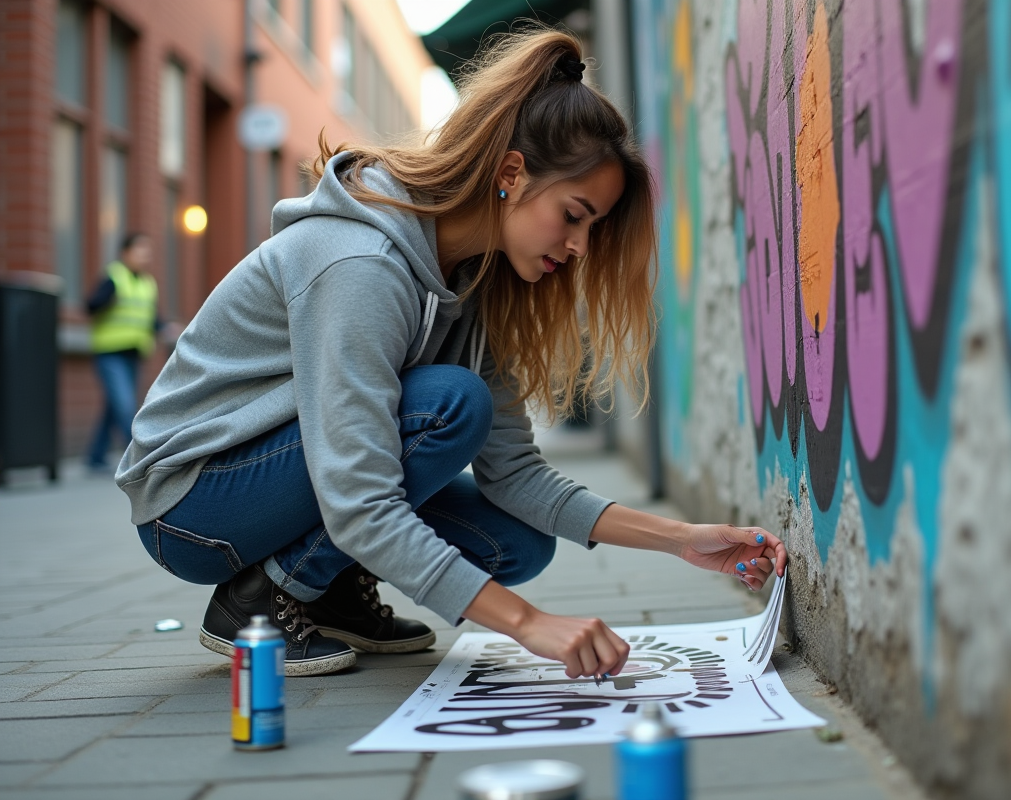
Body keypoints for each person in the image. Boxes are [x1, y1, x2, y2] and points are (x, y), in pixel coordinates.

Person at [115, 28, 787, 679]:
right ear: (512, 174)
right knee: (448, 404)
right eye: (575, 214)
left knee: (516, 542)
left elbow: (516, 476)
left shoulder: (471, 282)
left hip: (286, 479)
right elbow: (358, 500)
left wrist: (680, 539)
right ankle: (259, 601)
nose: (580, 247)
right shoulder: (361, 263)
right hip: (194, 505)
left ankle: (329, 591)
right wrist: (529, 626)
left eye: (593, 227)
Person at [87, 232, 160, 472]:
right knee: (124, 405)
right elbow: (90, 305)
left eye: (147, 251)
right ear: (125, 252)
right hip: (110, 353)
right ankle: (138, 461)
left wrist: (166, 327)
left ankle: (95, 456)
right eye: (140, 250)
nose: (145, 256)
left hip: (133, 354)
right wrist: (106, 301)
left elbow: (149, 319)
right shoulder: (113, 278)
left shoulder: (148, 283)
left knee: (114, 406)